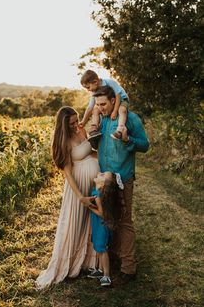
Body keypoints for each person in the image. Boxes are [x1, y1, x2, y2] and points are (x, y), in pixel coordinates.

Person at [36, 106, 99, 289]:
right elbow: (68, 174)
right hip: (77, 188)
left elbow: (90, 152)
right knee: (75, 223)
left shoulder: (81, 130)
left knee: (91, 222)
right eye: (71, 123)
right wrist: (80, 197)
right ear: (63, 124)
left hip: (92, 184)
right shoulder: (62, 141)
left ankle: (89, 261)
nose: (75, 125)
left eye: (76, 120)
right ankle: (69, 262)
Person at [93, 85, 149, 282]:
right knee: (108, 217)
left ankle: (128, 268)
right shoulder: (100, 120)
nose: (100, 108)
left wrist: (127, 139)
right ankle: (114, 256)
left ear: (114, 101)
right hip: (104, 178)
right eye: (97, 104)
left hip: (123, 178)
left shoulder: (130, 119)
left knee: (124, 221)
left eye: (103, 104)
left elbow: (145, 145)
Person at [87, 171, 123, 287]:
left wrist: (88, 205)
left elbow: (102, 214)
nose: (98, 173)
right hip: (99, 224)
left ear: (103, 185)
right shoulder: (99, 192)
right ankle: (100, 270)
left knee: (102, 250)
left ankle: (106, 275)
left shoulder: (98, 194)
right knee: (99, 247)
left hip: (102, 225)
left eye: (102, 175)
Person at [80, 69, 129, 140]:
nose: (88, 90)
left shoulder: (109, 82)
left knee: (122, 110)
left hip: (122, 99)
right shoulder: (95, 92)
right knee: (95, 110)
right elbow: (90, 107)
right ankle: (94, 129)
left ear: (95, 82)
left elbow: (118, 96)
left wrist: (115, 111)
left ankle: (120, 130)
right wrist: (84, 121)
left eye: (88, 87)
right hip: (112, 102)